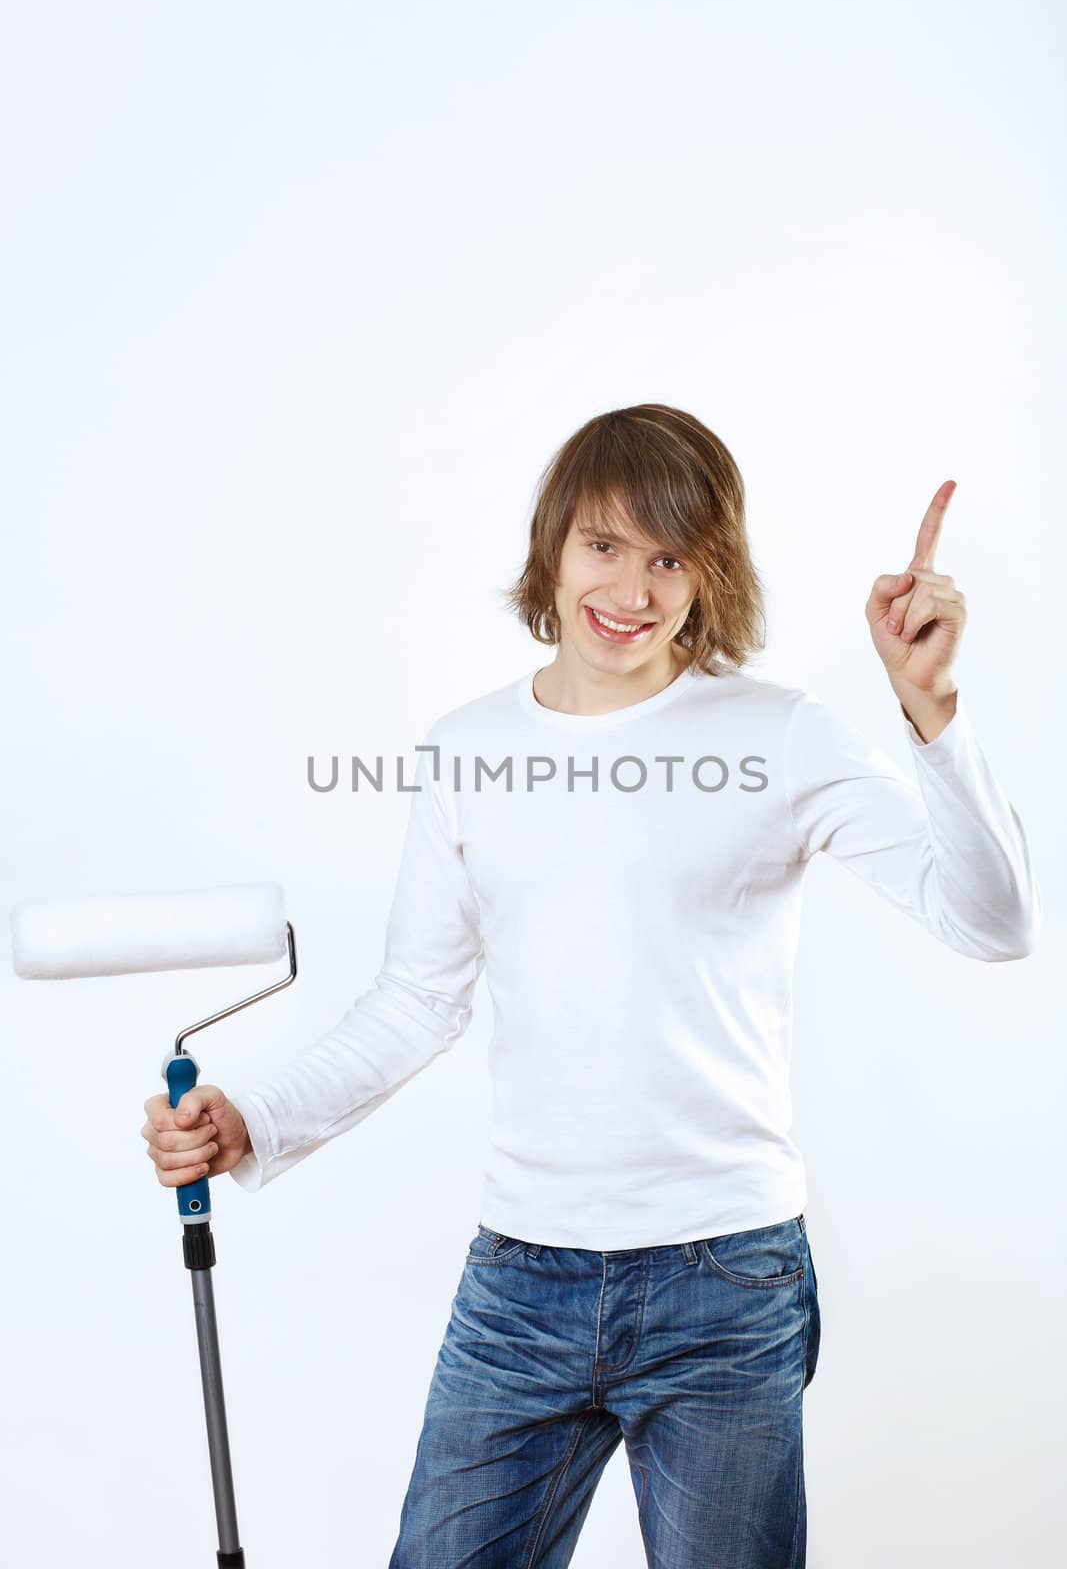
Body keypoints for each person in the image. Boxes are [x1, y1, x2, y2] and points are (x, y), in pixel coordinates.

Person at [141, 404, 1040, 1567]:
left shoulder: (777, 734)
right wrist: (252, 1114)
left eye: (669, 557)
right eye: (603, 545)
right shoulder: (466, 748)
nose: (632, 587)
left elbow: (993, 921)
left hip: (724, 1278)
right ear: (552, 547)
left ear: (707, 572)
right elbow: (417, 998)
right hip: (520, 1281)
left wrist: (929, 708)